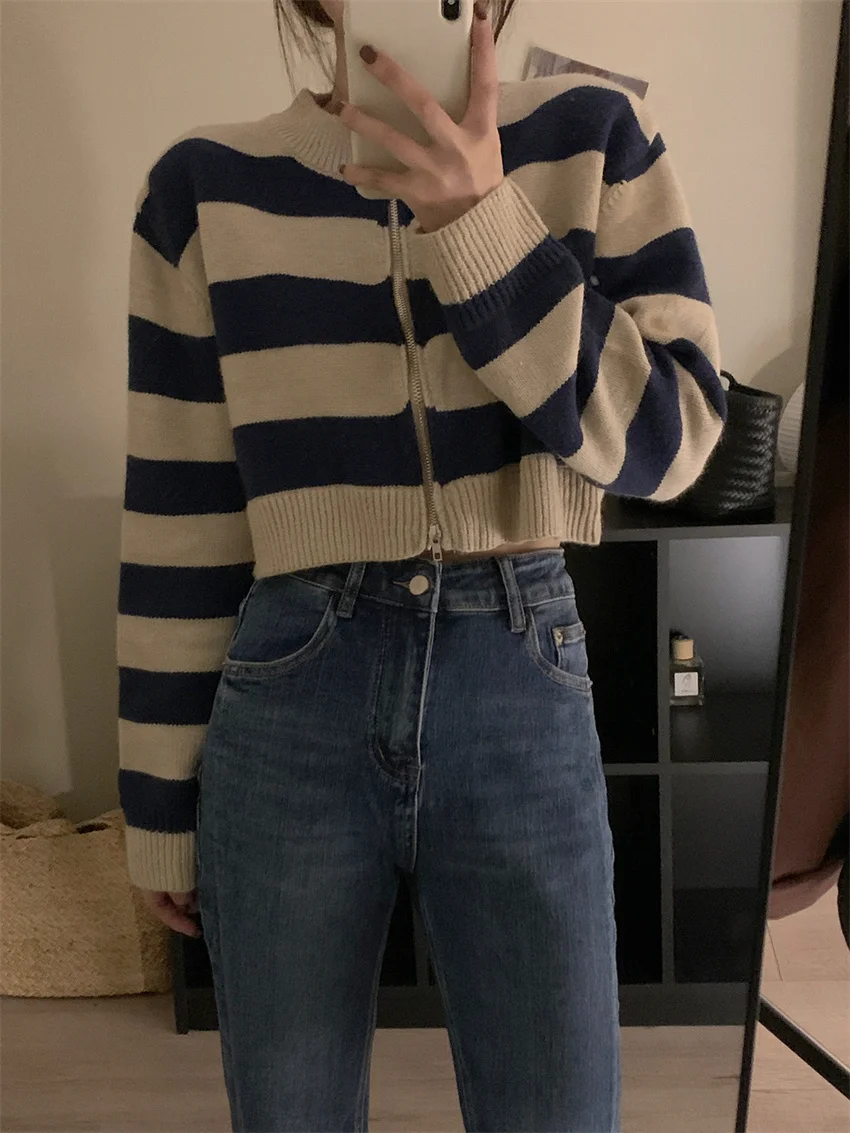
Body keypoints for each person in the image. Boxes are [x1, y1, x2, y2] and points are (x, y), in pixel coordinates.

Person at [116, 1, 726, 1129]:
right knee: (288, 1109)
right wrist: (157, 798)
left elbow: (672, 442)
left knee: (557, 1108)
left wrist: (481, 221)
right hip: (289, 685)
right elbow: (180, 511)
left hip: (518, 667)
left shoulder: (595, 138)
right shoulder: (201, 188)